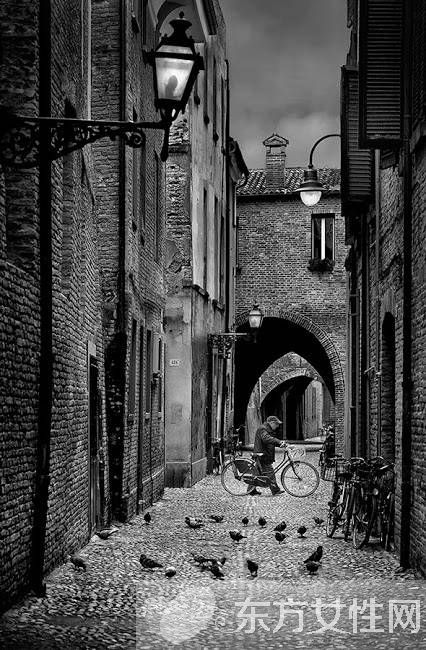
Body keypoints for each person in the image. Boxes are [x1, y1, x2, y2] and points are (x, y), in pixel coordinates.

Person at [248, 415, 286, 496]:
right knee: (269, 472)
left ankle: (251, 490)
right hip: (262, 455)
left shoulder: (267, 429)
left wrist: (281, 444)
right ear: (272, 423)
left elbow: (270, 441)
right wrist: (279, 442)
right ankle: (275, 490)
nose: (277, 426)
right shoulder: (263, 429)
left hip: (263, 454)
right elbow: (266, 439)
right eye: (276, 424)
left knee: (257, 473)